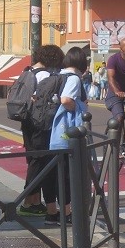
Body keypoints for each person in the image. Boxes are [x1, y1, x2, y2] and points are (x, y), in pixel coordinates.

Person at [17, 44, 64, 219]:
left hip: (26, 121)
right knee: (38, 161)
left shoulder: (27, 71)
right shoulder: (46, 75)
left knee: (33, 159)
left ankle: (34, 201)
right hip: (39, 123)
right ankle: (27, 201)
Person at [47, 47, 90, 225]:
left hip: (49, 131)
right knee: (67, 174)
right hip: (65, 133)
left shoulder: (55, 75)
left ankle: (52, 212)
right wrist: (78, 108)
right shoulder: (73, 79)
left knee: (54, 174)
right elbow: (66, 100)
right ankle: (66, 213)